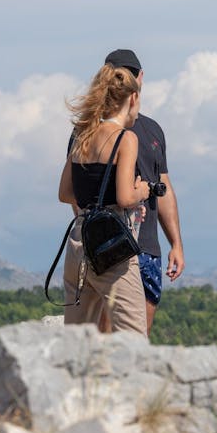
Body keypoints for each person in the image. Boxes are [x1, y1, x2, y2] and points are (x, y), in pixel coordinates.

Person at [58, 63, 150, 336]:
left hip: (79, 239)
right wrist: (142, 191)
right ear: (132, 98)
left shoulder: (82, 135)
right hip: (113, 245)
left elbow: (64, 193)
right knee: (133, 334)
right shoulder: (126, 139)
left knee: (77, 337)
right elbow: (124, 196)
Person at [103, 49, 185, 335]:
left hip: (147, 246)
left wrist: (175, 242)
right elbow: (79, 192)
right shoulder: (91, 130)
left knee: (138, 339)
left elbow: (164, 187)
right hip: (109, 248)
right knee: (105, 338)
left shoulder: (152, 130)